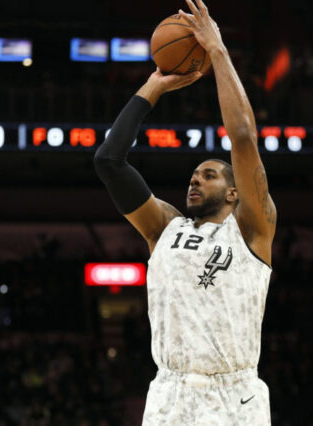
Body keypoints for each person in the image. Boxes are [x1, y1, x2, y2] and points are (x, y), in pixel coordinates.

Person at [94, 1, 276, 424]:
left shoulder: (252, 231)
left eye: (209, 174)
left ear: (235, 192)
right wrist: (153, 87)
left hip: (236, 397)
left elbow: (244, 136)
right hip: (170, 394)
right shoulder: (164, 228)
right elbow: (109, 162)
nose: (194, 179)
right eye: (193, 175)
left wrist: (218, 52)